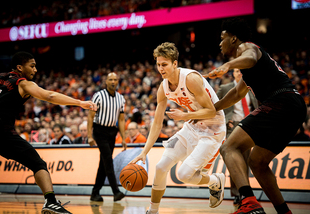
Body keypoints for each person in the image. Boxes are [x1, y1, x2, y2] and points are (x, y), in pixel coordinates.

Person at [205, 18, 307, 214]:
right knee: (257, 163)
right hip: (294, 108)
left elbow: (250, 58)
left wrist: (227, 65)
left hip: (281, 102)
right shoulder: (248, 68)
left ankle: (249, 202)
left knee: (229, 147)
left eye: (222, 38)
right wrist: (213, 109)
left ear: (234, 39)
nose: (220, 43)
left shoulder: (247, 47)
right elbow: (236, 94)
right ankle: (284, 211)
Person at [0, 51, 97, 214]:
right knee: (38, 164)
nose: (35, 70)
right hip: (0, 128)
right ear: (20, 67)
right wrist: (79, 102)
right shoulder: (22, 83)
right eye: (32, 66)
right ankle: (51, 202)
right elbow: (50, 95)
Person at [130, 42, 227, 214]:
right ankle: (153, 211)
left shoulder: (190, 78)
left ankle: (215, 180)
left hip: (213, 128)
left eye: (164, 64)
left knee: (183, 175)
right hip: (193, 125)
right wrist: (145, 151)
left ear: (175, 64)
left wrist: (184, 116)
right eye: (158, 64)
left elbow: (212, 110)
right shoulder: (163, 87)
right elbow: (157, 123)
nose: (160, 68)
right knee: (160, 168)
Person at [216, 68, 258, 210]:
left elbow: (256, 106)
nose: (239, 73)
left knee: (245, 162)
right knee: (233, 160)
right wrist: (223, 121)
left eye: (241, 70)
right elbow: (216, 106)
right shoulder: (225, 88)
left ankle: (245, 193)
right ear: (233, 73)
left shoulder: (252, 87)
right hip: (232, 126)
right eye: (236, 71)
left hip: (248, 126)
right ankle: (237, 194)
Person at [88, 72, 127, 202]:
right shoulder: (98, 96)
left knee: (104, 163)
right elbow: (90, 116)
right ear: (106, 81)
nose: (113, 82)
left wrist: (123, 138)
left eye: (115, 80)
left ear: (118, 82)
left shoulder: (121, 99)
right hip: (99, 131)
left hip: (112, 132)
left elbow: (121, 120)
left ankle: (95, 193)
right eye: (110, 79)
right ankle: (116, 192)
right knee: (108, 160)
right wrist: (89, 136)